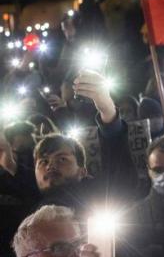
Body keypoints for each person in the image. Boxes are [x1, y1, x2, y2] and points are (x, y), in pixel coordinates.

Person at [0, 70, 138, 218]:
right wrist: (10, 165)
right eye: (43, 161)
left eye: (62, 159)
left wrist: (107, 110)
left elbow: (120, 172)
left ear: (82, 171)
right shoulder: (26, 211)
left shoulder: (101, 200)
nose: (50, 166)